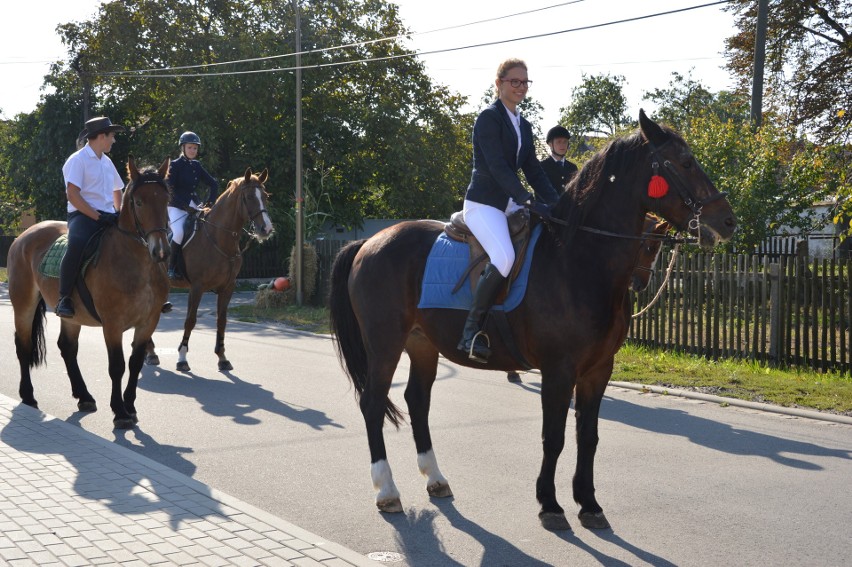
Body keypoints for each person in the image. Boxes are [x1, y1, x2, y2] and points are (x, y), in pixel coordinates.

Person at [458, 58, 560, 363]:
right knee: (504, 257)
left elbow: (534, 170)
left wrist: (557, 203)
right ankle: (469, 332)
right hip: (484, 204)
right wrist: (525, 198)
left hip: (510, 204)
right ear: (499, 84)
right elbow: (497, 167)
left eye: (525, 82)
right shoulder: (488, 119)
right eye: (514, 81)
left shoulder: (524, 125)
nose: (520, 87)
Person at [55, 116, 126, 318]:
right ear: (101, 136)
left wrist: (118, 211)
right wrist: (96, 216)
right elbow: (72, 195)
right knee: (76, 244)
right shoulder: (77, 160)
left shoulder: (107, 161)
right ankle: (64, 297)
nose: (114, 140)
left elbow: (118, 189)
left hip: (109, 216)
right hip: (82, 216)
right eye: (112, 136)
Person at [166, 131, 219, 279]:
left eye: (195, 148)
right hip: (175, 206)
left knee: (207, 227)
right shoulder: (175, 165)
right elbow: (169, 189)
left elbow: (213, 184)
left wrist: (209, 203)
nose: (193, 151)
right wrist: (184, 206)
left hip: (193, 204)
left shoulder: (196, 165)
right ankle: (171, 267)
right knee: (179, 233)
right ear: (183, 148)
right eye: (190, 147)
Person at [540, 125, 578, 193]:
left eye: (565, 142)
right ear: (550, 144)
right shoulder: (542, 167)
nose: (562, 145)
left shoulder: (573, 168)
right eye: (558, 142)